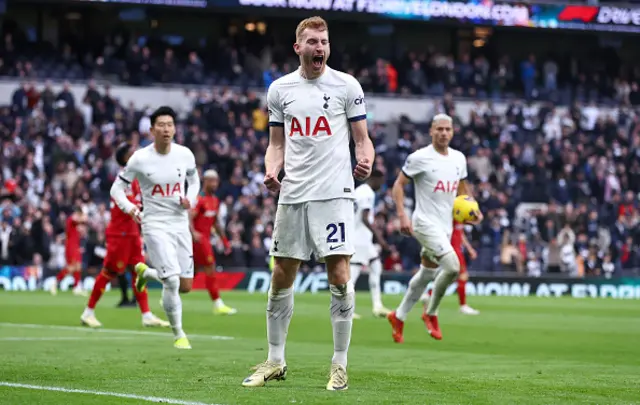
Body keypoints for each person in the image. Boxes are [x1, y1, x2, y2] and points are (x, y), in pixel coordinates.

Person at [242, 16, 374, 391]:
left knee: (339, 273)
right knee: (281, 273)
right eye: (313, 42)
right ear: (297, 47)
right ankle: (275, 360)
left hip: (334, 192)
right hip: (294, 193)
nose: (320, 48)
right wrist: (271, 170)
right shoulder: (280, 90)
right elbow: (276, 145)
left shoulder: (347, 86)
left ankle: (339, 365)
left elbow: (363, 139)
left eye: (325, 42)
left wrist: (366, 160)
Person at [387, 113, 483, 344]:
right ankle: (430, 312)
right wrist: (402, 216)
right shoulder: (419, 158)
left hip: (445, 227)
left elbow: (463, 189)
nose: (443, 133)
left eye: (447, 129)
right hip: (424, 223)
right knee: (452, 266)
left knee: (427, 274)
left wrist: (474, 210)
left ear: (452, 132)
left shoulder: (459, 159)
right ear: (431, 131)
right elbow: (398, 186)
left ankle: (398, 316)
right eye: (439, 129)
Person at [110, 106, 200, 350]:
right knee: (171, 281)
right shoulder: (139, 158)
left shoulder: (185, 154)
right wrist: (130, 208)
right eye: (161, 125)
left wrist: (191, 198)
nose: (166, 129)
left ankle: (146, 273)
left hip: (180, 224)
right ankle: (179, 334)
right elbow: (116, 189)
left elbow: (194, 180)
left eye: (170, 124)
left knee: (185, 286)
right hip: (154, 224)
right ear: (152, 130)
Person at [80, 143, 169, 328]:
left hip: (131, 233)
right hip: (119, 234)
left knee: (139, 272)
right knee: (109, 272)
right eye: (131, 153)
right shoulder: (124, 178)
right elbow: (128, 206)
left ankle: (146, 315)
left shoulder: (135, 179)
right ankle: (88, 312)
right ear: (125, 158)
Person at [191, 169, 237, 315]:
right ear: (205, 181)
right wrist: (193, 232)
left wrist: (225, 241)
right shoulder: (199, 200)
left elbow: (216, 224)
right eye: (212, 181)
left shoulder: (215, 201)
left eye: (216, 181)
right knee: (210, 267)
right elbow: (189, 217)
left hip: (204, 239)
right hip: (198, 240)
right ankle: (218, 304)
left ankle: (168, 295)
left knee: (192, 272)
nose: (215, 184)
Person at [350, 169, 391, 319]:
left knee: (376, 266)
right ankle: (345, 309)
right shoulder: (367, 193)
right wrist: (380, 239)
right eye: (381, 181)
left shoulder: (359, 190)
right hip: (359, 240)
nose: (382, 185)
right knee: (352, 275)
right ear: (374, 179)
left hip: (363, 239)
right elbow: (365, 218)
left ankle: (377, 305)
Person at [420, 220, 480, 316]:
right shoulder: (451, 216)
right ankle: (463, 306)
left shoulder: (457, 216)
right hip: (452, 250)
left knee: (451, 278)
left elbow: (460, 234)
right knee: (463, 276)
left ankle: (429, 294)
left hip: (454, 250)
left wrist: (469, 248)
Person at [50, 206, 87, 296]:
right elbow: (82, 220)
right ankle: (55, 282)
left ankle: (76, 287)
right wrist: (84, 213)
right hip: (70, 247)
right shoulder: (71, 219)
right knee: (71, 268)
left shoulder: (75, 222)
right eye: (79, 214)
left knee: (78, 267)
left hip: (75, 246)